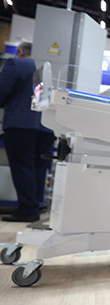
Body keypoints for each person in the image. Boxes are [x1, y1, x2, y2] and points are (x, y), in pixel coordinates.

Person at [0, 42, 56, 223]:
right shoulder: (52, 66)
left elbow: (2, 90)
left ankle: (27, 209)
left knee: (22, 167)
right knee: (39, 168)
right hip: (47, 126)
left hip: (20, 123)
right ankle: (34, 206)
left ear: (20, 52)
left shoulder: (16, 64)